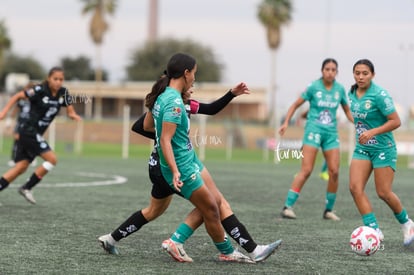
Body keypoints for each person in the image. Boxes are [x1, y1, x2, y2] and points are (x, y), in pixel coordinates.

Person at [98, 84, 281, 263]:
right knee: (212, 202)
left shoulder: (186, 104)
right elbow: (140, 126)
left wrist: (231, 94)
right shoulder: (172, 104)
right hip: (170, 168)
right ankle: (182, 242)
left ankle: (111, 239)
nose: (192, 88)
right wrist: (166, 139)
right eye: (190, 84)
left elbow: (210, 109)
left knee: (153, 211)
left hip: (158, 168)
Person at [348, 59, 414, 245]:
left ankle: (407, 224)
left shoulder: (380, 95)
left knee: (383, 192)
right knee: (354, 187)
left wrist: (372, 132)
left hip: (383, 149)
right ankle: (374, 230)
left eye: (365, 73)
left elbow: (396, 121)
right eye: (357, 73)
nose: (360, 77)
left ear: (373, 75)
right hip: (363, 149)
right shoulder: (351, 93)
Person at [278, 58, 353, 220]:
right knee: (306, 170)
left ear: (337, 72)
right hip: (313, 131)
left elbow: (348, 112)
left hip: (331, 134)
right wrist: (286, 122)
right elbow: (295, 105)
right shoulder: (313, 87)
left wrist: (360, 123)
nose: (330, 72)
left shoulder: (340, 89)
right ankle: (287, 207)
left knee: (334, 171)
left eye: (333, 70)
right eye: (327, 69)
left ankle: (328, 210)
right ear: (322, 71)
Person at [0, 67, 82, 204]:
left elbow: (70, 109)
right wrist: (4, 112)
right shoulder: (40, 90)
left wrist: (73, 115)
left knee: (21, 167)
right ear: (49, 78)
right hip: (28, 131)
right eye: (55, 79)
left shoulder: (64, 92)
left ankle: (19, 187)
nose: (58, 82)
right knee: (52, 159)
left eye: (61, 79)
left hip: (34, 134)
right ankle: (27, 187)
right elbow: (18, 96)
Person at [7, 83, 37, 168]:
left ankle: (31, 158)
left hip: (30, 124)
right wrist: (9, 121)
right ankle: (14, 158)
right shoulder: (21, 100)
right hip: (20, 123)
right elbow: (15, 110)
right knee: (17, 140)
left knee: (31, 140)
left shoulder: (35, 101)